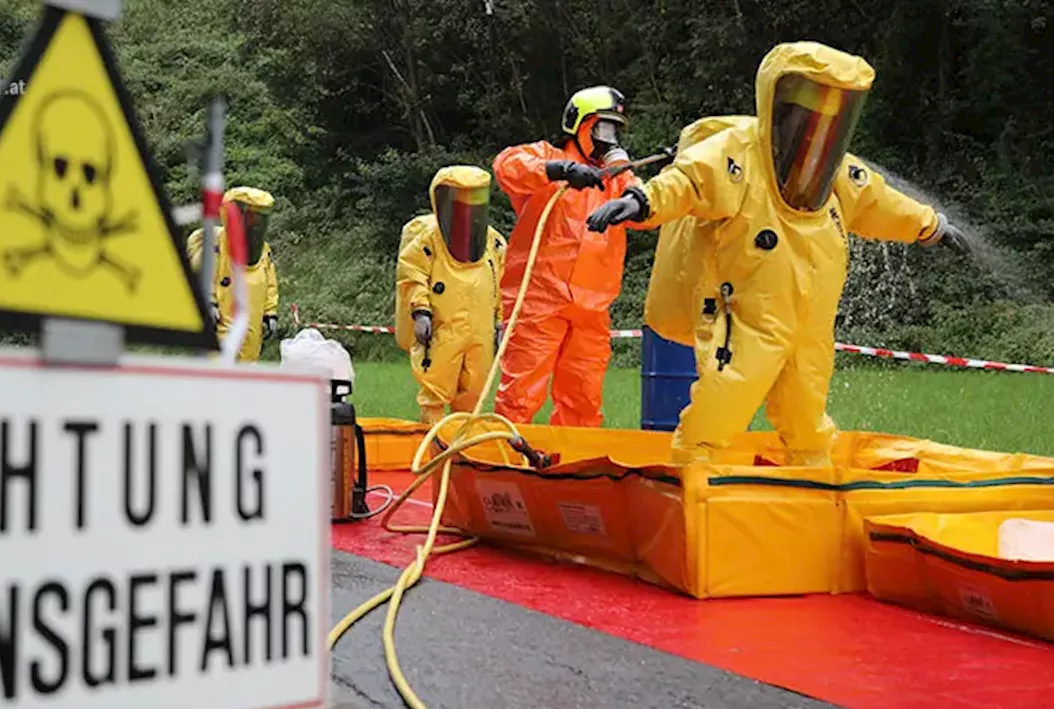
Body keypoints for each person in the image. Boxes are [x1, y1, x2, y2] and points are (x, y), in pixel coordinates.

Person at [586, 41, 970, 466]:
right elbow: (690, 180)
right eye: (809, 118)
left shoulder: (837, 171)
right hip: (745, 315)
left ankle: (811, 494)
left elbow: (879, 201)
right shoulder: (737, 153)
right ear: (781, 109)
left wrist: (930, 225)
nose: (816, 133)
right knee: (720, 406)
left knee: (807, 419)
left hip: (809, 325)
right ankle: (693, 491)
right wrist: (642, 201)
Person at [491, 85, 650, 427]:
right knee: (519, 396)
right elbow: (507, 166)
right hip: (538, 302)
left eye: (615, 130)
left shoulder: (613, 183)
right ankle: (501, 466)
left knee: (583, 402)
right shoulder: (546, 159)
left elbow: (647, 212)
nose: (610, 139)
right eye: (603, 128)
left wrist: (621, 173)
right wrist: (560, 170)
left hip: (592, 310)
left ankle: (572, 472)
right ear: (580, 125)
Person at [394, 165, 508, 424]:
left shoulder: (493, 242)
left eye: (475, 198)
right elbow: (412, 274)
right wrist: (421, 312)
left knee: (475, 388)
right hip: (444, 328)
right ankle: (433, 437)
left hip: (481, 331)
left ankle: (463, 442)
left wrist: (501, 321)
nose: (470, 207)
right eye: (463, 199)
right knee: (436, 384)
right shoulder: (428, 240)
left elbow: (503, 283)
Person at [185, 186, 281, 362]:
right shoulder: (215, 244)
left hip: (252, 327)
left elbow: (270, 284)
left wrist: (270, 313)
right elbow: (204, 275)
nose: (255, 223)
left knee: (246, 369)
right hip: (222, 322)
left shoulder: (264, 251)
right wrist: (209, 302)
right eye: (251, 216)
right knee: (218, 367)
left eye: (259, 217)